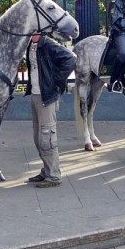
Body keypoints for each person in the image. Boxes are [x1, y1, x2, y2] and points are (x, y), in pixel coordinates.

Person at [25, 32, 77, 188]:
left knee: (47, 136)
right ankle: (46, 170)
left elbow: (71, 58)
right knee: (38, 137)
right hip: (35, 94)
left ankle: (54, 175)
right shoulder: (31, 44)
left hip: (46, 96)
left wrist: (56, 81)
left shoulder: (48, 43)